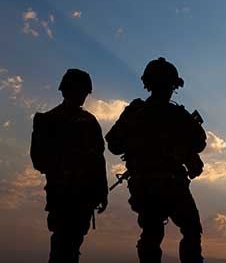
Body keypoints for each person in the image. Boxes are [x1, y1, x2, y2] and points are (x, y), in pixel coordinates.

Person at [106, 57, 206, 263]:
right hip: (171, 185)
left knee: (152, 235)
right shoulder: (177, 114)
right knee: (191, 230)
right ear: (172, 86)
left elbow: (114, 144)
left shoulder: (135, 112)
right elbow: (200, 143)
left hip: (145, 186)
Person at [30, 68, 108, 263]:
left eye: (84, 93)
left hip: (83, 195)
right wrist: (64, 166)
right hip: (62, 194)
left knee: (72, 244)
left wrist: (102, 192)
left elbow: (99, 160)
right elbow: (38, 160)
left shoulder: (90, 122)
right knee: (62, 245)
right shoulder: (47, 120)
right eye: (79, 91)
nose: (81, 97)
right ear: (67, 90)